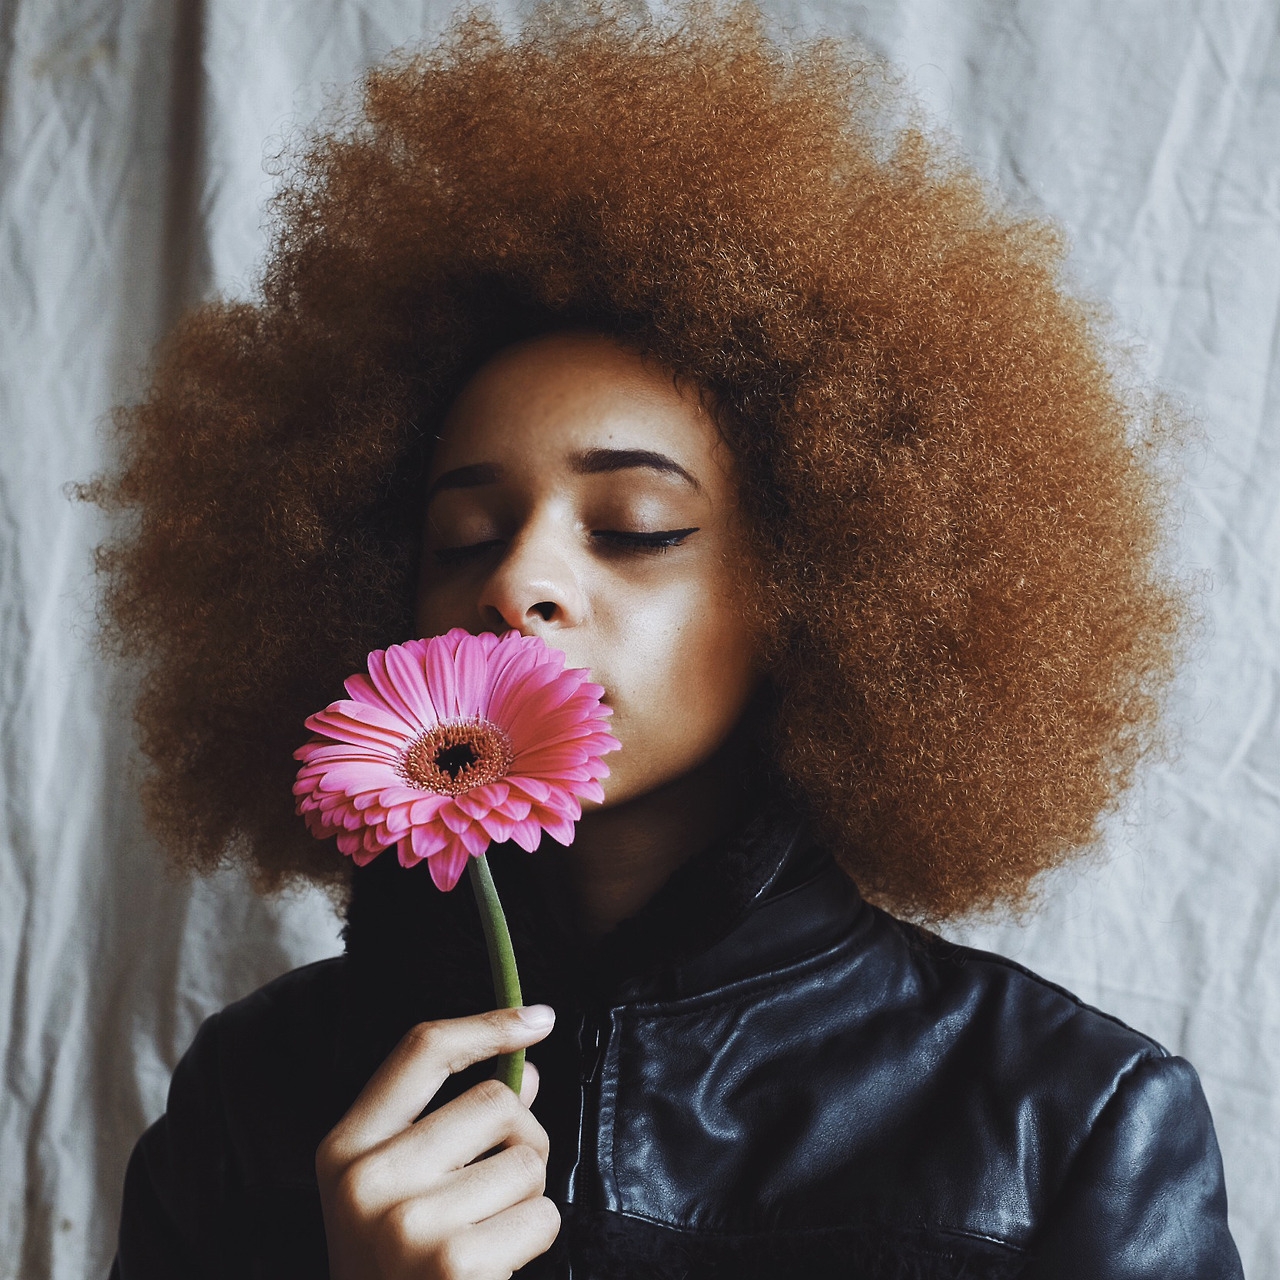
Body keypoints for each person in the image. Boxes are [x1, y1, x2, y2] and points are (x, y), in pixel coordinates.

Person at [87, 4, 1244, 1277]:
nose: (520, 577)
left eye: (634, 526)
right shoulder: (253, 1099)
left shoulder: (1068, 1123)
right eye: (462, 534)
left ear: (819, 581)